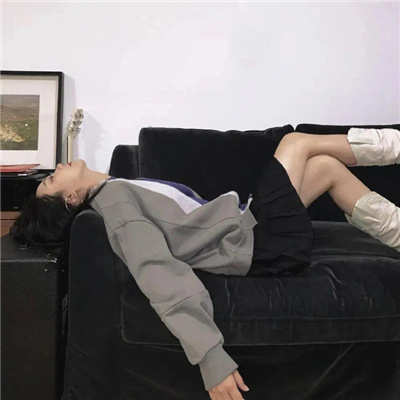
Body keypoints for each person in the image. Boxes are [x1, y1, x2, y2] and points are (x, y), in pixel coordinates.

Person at [10, 128, 400, 400]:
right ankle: (394, 145)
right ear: (71, 199)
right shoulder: (114, 205)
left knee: (326, 168)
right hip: (255, 241)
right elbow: (159, 274)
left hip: (250, 227)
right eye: (50, 182)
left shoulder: (117, 188)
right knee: (295, 143)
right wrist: (210, 357)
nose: (55, 170)